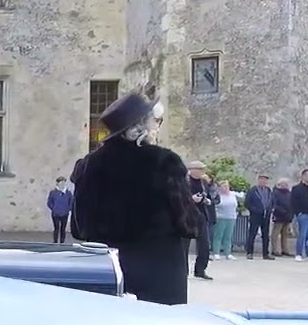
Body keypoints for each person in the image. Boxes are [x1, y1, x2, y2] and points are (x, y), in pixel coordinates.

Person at [70, 92, 197, 304]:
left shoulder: (87, 166)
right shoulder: (164, 163)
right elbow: (189, 224)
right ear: (141, 126)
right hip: (160, 274)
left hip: (109, 272)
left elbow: (78, 228)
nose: (157, 126)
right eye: (155, 121)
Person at [186, 161, 216, 280]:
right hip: (187, 215)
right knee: (184, 245)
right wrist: (191, 199)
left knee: (204, 244)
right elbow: (179, 196)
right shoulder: (184, 181)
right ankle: (184, 271)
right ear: (193, 170)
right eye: (200, 169)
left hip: (201, 215)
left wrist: (206, 200)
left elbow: (211, 196)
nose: (202, 172)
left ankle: (200, 270)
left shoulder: (204, 182)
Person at [244, 173, 275, 260]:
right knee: (252, 234)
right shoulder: (252, 190)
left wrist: (271, 209)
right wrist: (254, 210)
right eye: (262, 179)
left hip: (266, 216)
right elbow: (247, 203)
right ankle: (249, 252)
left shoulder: (269, 190)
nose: (263, 181)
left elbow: (272, 201)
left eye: (265, 180)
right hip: (255, 215)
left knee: (265, 235)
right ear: (258, 180)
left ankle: (265, 254)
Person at [211, 179, 241, 260]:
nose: (225, 188)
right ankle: (216, 252)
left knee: (228, 236)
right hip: (220, 217)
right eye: (223, 186)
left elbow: (242, 195)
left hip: (231, 217)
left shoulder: (233, 194)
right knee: (218, 235)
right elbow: (214, 204)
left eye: (227, 186)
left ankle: (228, 253)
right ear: (220, 188)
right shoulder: (218, 195)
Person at [271, 178, 294, 256]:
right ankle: (274, 250)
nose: (286, 185)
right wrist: (282, 211)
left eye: (287, 184)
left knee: (285, 234)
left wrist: (291, 214)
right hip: (279, 216)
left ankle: (285, 250)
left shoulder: (289, 193)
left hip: (287, 217)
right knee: (276, 234)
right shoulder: (276, 193)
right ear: (280, 184)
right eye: (285, 184)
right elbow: (274, 204)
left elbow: (291, 204)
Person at [46, 176, 73, 244]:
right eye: (61, 182)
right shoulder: (53, 192)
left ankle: (62, 242)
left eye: (63, 182)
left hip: (65, 213)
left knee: (63, 229)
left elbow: (71, 201)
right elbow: (49, 202)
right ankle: (55, 241)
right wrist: (54, 208)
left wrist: (68, 209)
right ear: (57, 183)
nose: (62, 184)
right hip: (55, 214)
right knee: (56, 228)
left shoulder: (68, 193)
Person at [292, 168, 308, 261]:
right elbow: (293, 202)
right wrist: (298, 212)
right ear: (303, 176)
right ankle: (298, 253)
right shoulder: (297, 188)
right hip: (303, 214)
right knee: (302, 234)